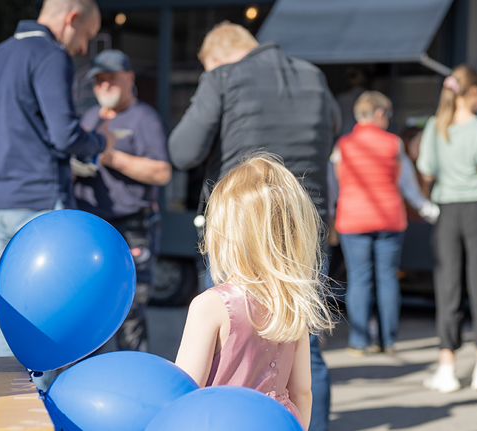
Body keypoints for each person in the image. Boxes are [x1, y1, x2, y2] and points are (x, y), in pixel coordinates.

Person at [167, 22, 340, 431]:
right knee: (303, 349)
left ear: (220, 57)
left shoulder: (224, 78)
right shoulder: (315, 77)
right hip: (302, 228)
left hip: (244, 222)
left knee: (230, 336)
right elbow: (332, 134)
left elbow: (183, 150)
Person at [0, 0, 114, 361]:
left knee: (16, 318)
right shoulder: (50, 55)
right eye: (86, 36)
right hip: (41, 202)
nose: (82, 48)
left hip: (3, 202)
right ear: (72, 18)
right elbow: (66, 136)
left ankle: (9, 409)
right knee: (46, 323)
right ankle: (27, 411)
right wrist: (100, 142)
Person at [175, 154, 335, 431]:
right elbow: (302, 393)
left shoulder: (211, 305)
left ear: (224, 232)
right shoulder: (293, 302)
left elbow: (181, 392)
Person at [74, 49, 172, 353]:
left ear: (129, 78)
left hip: (132, 225)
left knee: (129, 310)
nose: (103, 86)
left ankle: (133, 383)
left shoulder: (144, 118)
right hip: (90, 225)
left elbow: (162, 172)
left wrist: (113, 158)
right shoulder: (89, 118)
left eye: (110, 80)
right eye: (98, 81)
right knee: (89, 307)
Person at [417, 64, 477, 392]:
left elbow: (426, 173)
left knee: (448, 288)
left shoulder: (435, 127)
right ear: (473, 92)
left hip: (447, 211)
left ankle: (447, 368)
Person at [331, 91, 406, 356]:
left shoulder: (343, 144)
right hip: (389, 216)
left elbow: (338, 180)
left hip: (353, 218)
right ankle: (389, 340)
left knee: (359, 279)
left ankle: (359, 341)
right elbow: (399, 178)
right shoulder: (394, 143)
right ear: (378, 113)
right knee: (387, 278)